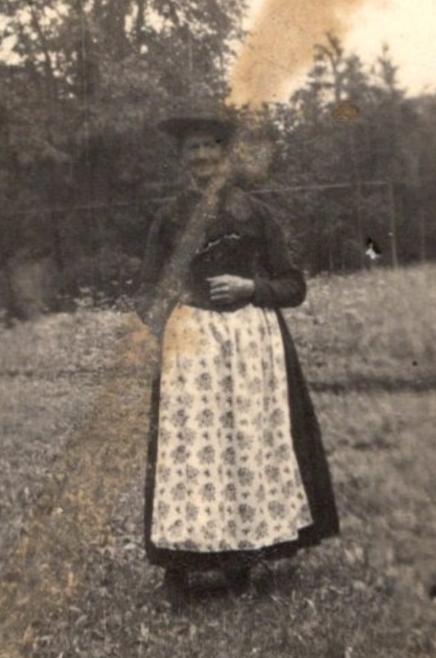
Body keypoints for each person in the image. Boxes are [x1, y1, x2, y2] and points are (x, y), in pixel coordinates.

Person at [135, 110, 338, 602]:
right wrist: (176, 314)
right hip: (194, 348)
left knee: (247, 444)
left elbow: (294, 286)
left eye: (211, 147)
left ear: (226, 156)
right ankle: (180, 566)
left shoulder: (256, 213)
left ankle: (243, 560)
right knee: (190, 451)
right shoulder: (169, 218)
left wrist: (252, 286)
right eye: (192, 150)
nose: (202, 156)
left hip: (252, 347)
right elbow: (147, 294)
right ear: (182, 159)